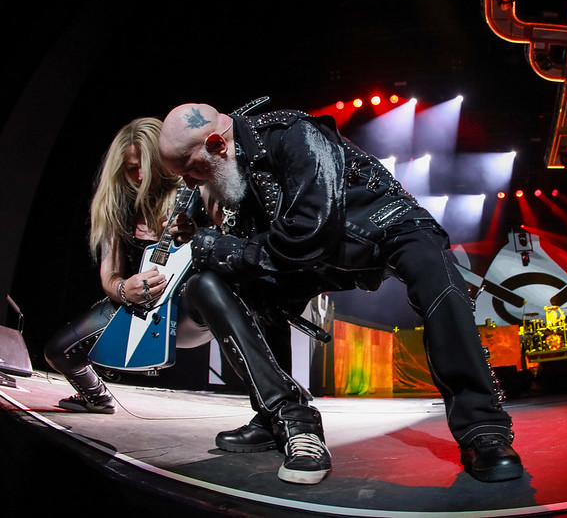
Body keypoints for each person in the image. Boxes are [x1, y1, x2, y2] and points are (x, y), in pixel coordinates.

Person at [158, 99, 523, 485]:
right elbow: (261, 246)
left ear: (217, 143)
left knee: (437, 281)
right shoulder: (234, 167)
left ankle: (483, 430)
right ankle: (279, 416)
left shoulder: (293, 133)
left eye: (190, 170)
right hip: (321, 253)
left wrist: (219, 247)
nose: (190, 183)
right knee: (241, 287)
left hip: (383, 227)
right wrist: (204, 237)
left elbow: (309, 231)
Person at [44, 118, 212, 414]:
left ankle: (275, 408)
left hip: (191, 306)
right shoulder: (115, 204)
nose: (141, 175)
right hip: (141, 307)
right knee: (58, 351)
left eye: (147, 165)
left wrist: (196, 236)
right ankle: (97, 398)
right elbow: (109, 274)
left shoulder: (192, 189)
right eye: (132, 168)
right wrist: (124, 289)